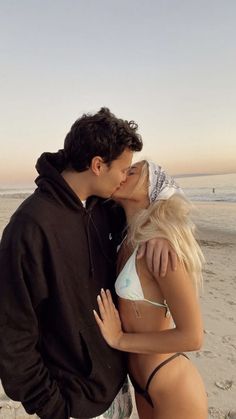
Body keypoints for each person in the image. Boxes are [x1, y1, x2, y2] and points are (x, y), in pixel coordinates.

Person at [0, 109, 177, 419]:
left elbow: (163, 186)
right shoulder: (29, 227)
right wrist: (55, 407)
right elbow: (12, 336)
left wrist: (161, 229)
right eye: (123, 169)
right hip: (73, 402)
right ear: (97, 165)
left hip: (118, 388)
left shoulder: (105, 208)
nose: (125, 177)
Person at [94, 160, 208, 419]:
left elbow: (193, 337)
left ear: (151, 189)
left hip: (171, 383)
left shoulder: (161, 250)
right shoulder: (126, 239)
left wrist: (120, 339)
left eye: (132, 171)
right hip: (141, 383)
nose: (123, 173)